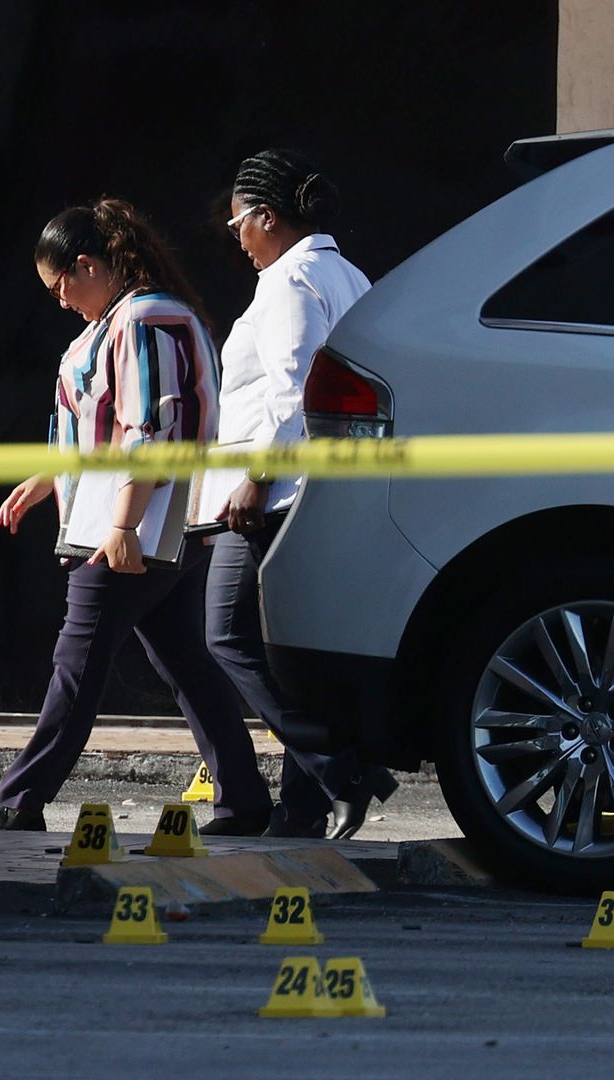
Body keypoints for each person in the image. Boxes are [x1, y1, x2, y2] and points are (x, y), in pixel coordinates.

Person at [0, 199, 272, 835]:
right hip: (149, 522)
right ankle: (245, 799)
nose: (60, 301)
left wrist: (122, 525)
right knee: (183, 663)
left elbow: (150, 426)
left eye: (60, 286)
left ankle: (19, 802)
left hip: (138, 525)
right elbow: (103, 423)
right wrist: (50, 477)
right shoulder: (130, 318)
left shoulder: (144, 318)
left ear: (87, 265)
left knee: (79, 661)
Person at [206, 150, 396, 839]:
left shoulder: (288, 282)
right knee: (291, 648)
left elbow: (294, 393)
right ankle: (305, 808)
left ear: (266, 216)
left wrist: (256, 477)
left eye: (239, 226)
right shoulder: (348, 275)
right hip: (333, 488)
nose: (238, 241)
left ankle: (339, 769)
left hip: (279, 491)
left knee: (227, 635)